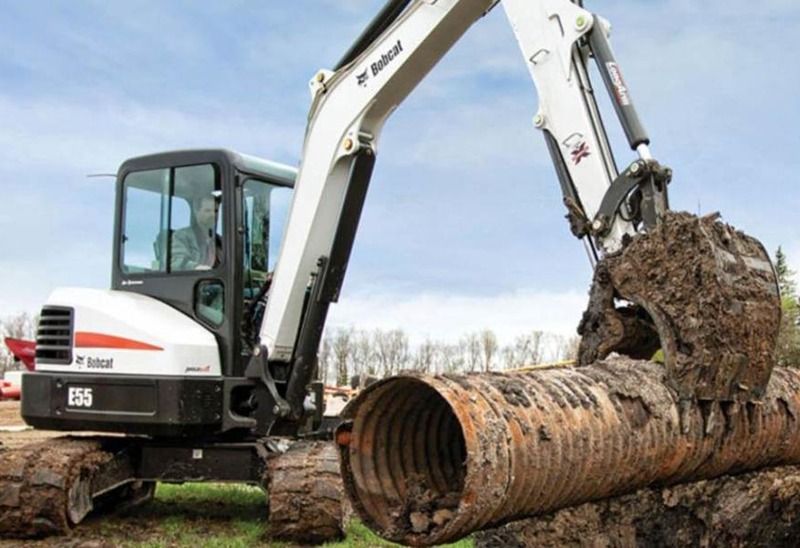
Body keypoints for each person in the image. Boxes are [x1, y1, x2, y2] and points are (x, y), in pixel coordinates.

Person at [170, 195, 221, 271]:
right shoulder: (181, 236)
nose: (213, 215)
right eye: (208, 211)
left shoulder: (221, 242)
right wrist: (196, 268)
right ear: (197, 212)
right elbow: (176, 262)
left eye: (216, 211)